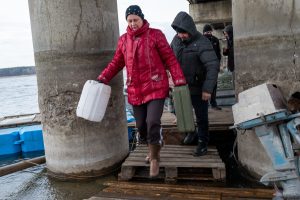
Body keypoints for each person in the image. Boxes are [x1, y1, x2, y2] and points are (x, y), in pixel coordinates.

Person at [97, 5, 186, 178]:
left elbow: (170, 59)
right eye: (129, 21)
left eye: (135, 20)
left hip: (156, 87)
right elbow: (116, 63)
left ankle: (154, 158)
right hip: (135, 90)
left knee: (152, 121)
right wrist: (103, 77)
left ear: (142, 19)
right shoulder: (123, 40)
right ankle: (155, 147)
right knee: (141, 126)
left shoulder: (156, 35)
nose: (132, 24)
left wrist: (179, 80)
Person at [171, 12, 219, 156]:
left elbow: (213, 65)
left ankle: (203, 143)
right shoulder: (175, 40)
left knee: (201, 117)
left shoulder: (203, 42)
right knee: (180, 113)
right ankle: (190, 133)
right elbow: (168, 57)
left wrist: (207, 90)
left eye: (184, 32)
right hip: (180, 87)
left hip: (199, 88)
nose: (181, 35)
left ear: (191, 30)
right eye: (179, 32)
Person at [203, 24, 222, 110]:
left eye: (210, 32)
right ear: (204, 33)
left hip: (213, 67)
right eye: (207, 32)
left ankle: (213, 104)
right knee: (203, 85)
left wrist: (218, 65)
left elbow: (218, 54)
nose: (209, 33)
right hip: (203, 68)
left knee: (214, 85)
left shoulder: (215, 40)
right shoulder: (201, 40)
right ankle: (204, 105)